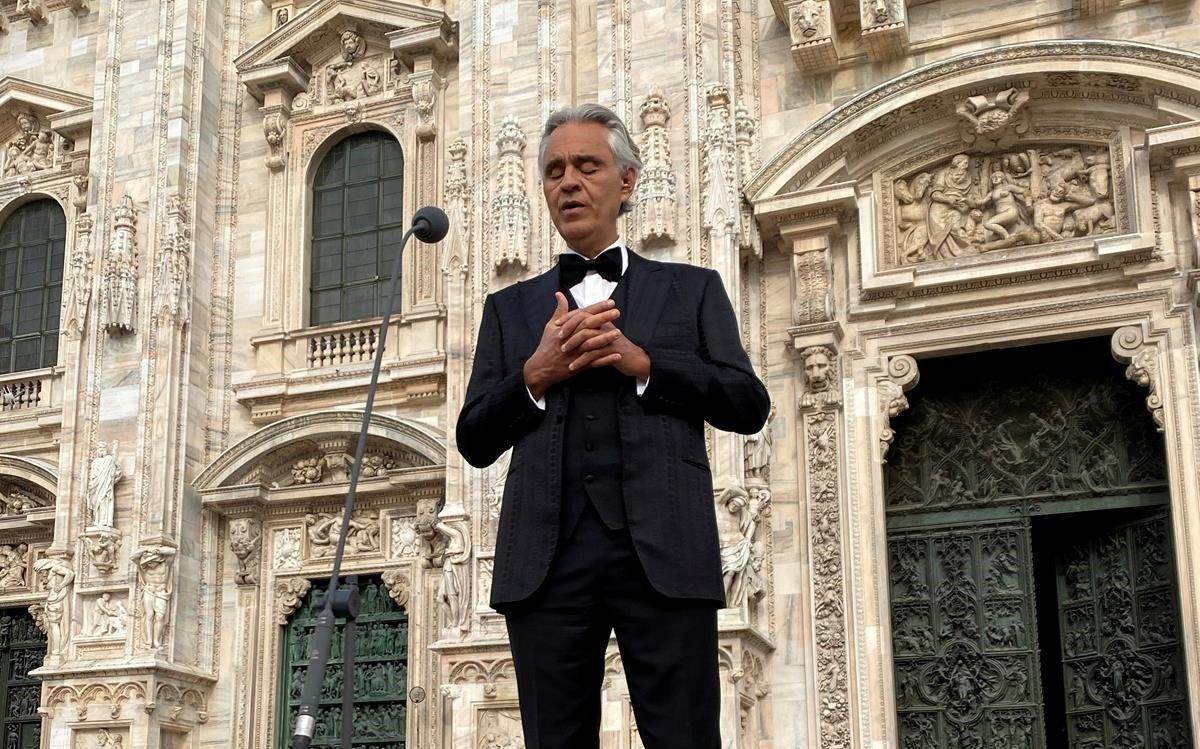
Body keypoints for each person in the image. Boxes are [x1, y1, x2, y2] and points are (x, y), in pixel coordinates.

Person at [456, 104, 770, 749]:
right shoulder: (509, 308)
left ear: (626, 181)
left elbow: (746, 402)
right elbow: (474, 438)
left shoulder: (692, 289)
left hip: (665, 549)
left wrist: (647, 364)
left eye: (586, 165)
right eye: (553, 171)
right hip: (546, 558)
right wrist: (535, 375)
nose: (567, 181)